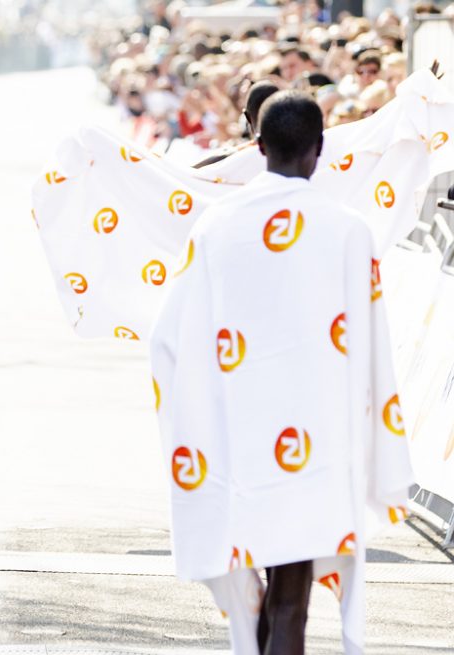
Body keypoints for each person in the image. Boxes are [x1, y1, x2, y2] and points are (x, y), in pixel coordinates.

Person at [150, 91, 413, 653]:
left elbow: (170, 338)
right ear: (318, 151)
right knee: (289, 601)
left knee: (265, 598)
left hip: (237, 440)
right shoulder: (348, 230)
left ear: (258, 145)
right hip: (317, 441)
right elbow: (373, 346)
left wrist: (191, 417)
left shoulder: (215, 227)